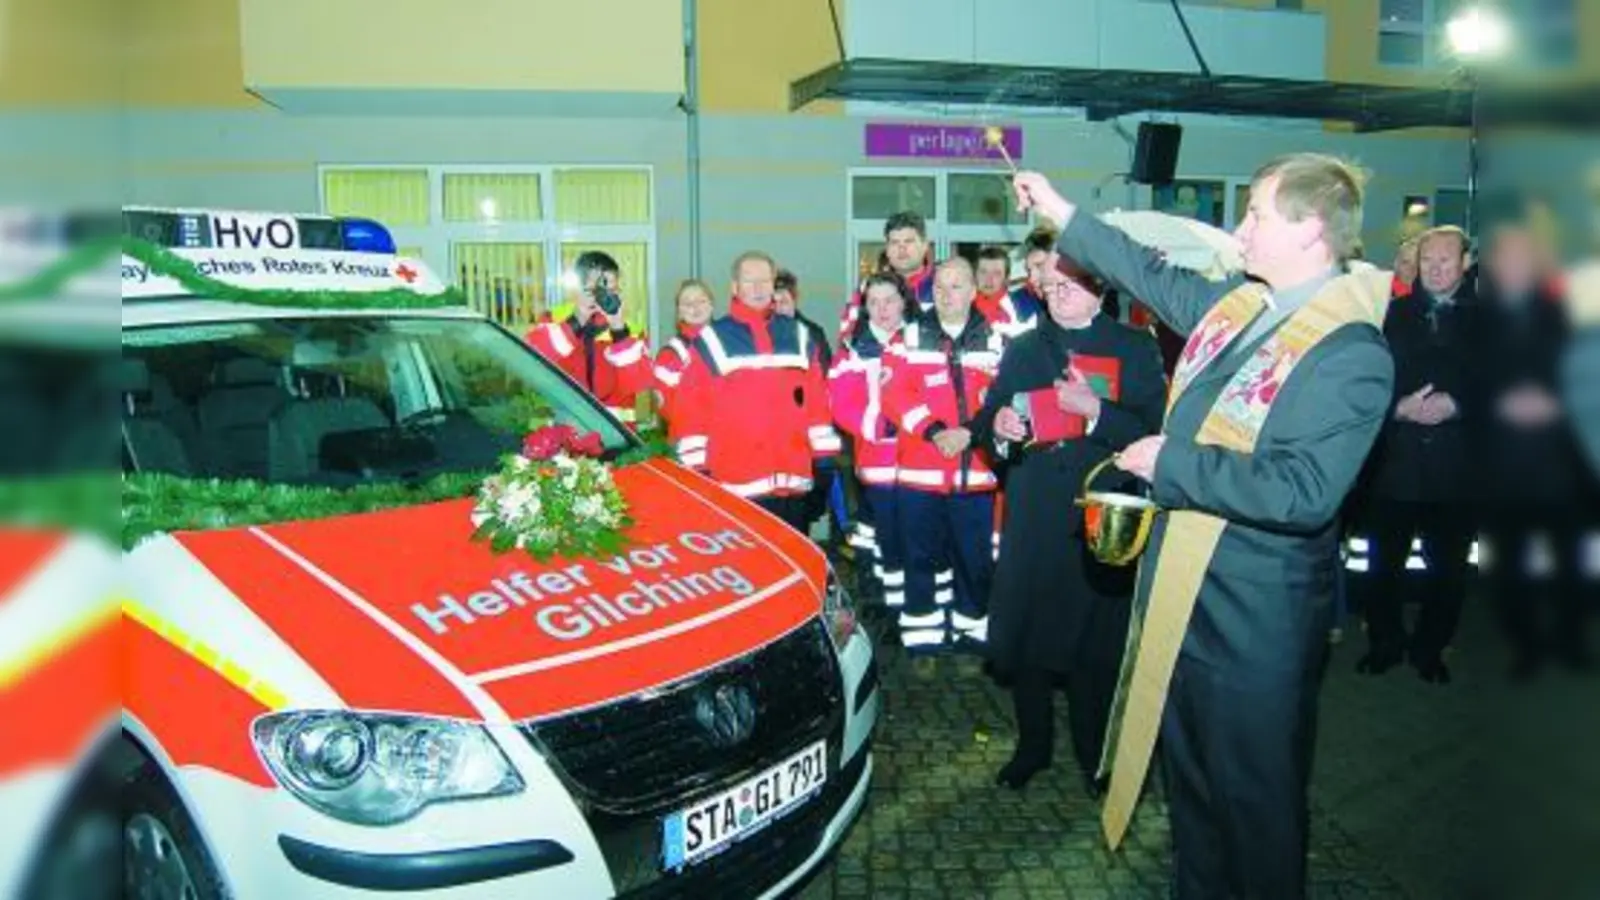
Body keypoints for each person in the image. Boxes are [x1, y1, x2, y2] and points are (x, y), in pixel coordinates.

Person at [1013, 154, 1395, 899]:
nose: (1239, 228)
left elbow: (1304, 490)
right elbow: (1153, 277)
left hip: (1255, 623)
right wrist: (1064, 212)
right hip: (1185, 602)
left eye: (1255, 213)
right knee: (1192, 798)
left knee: (1253, 807)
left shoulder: (1349, 350)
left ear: (1311, 228)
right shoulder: (1243, 310)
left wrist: (1173, 464)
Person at [972, 255, 1167, 794]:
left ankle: (1093, 754)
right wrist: (1003, 429)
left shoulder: (1134, 346)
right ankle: (1032, 748)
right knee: (1031, 637)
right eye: (1050, 286)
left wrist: (1095, 410)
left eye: (1070, 286)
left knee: (1094, 646)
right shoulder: (1025, 348)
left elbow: (1153, 430)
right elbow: (989, 423)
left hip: (1102, 512)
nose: (1057, 295)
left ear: (1099, 290)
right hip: (1034, 512)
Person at [1465, 222, 1591, 676]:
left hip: (1560, 465)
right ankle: (1526, 648)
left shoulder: (1567, 314)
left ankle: (1571, 644)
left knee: (1570, 562)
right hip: (1500, 466)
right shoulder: (1477, 317)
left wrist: (1555, 403)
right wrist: (1501, 403)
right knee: (1510, 567)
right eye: (1508, 257)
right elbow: (1465, 380)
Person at [1355, 226, 1475, 683]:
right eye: (1428, 260)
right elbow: (1364, 380)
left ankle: (1430, 651)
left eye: (1446, 259)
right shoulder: (1388, 315)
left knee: (1448, 572)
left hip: (1458, 471)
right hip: (1395, 466)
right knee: (1382, 565)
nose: (1436, 267)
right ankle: (1384, 644)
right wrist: (1397, 408)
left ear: (1466, 262)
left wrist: (1458, 405)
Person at [881, 258, 1005, 654]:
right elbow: (895, 396)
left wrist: (970, 432)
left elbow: (1005, 397)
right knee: (919, 559)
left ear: (973, 291)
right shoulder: (908, 337)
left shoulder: (999, 340)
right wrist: (936, 432)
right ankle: (923, 641)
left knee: (975, 560)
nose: (946, 295)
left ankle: (972, 633)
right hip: (921, 475)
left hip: (977, 475)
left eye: (955, 287)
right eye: (939, 288)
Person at [672, 251, 841, 530]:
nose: (759, 288)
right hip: (735, 492)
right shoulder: (712, 340)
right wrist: (699, 477)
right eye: (750, 281)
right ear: (735, 288)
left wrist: (824, 467)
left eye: (765, 281)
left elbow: (817, 409)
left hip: (794, 489)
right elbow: (690, 418)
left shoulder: (799, 336)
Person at [829, 271, 910, 611]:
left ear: (904, 302)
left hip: (922, 464)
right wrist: (882, 427)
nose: (882, 309)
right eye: (873, 302)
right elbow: (840, 403)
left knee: (916, 541)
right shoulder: (854, 350)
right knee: (875, 540)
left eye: (889, 300)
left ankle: (913, 609)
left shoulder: (925, 342)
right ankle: (879, 608)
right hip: (877, 463)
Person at [525, 250, 653, 423]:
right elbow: (531, 359)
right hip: (565, 434)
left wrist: (618, 330)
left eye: (613, 290)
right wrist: (577, 320)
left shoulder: (632, 330)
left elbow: (639, 384)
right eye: (598, 290)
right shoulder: (554, 319)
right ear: (580, 288)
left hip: (616, 434)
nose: (605, 297)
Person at [775, 269, 839, 540]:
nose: (779, 308)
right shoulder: (760, 335)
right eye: (773, 302)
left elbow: (823, 384)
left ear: (795, 299)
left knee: (803, 512)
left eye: (784, 302)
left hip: (806, 436)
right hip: (774, 439)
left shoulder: (812, 333)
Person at [838, 211, 935, 341]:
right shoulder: (868, 287)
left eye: (909, 241)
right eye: (895, 242)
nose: (902, 249)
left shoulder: (943, 286)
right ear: (887, 249)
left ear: (924, 246)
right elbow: (847, 336)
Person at [653, 278, 715, 429]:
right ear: (679, 312)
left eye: (701, 301)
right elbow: (665, 406)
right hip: (691, 439)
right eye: (688, 303)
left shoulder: (730, 343)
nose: (695, 307)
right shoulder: (671, 353)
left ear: (711, 306)